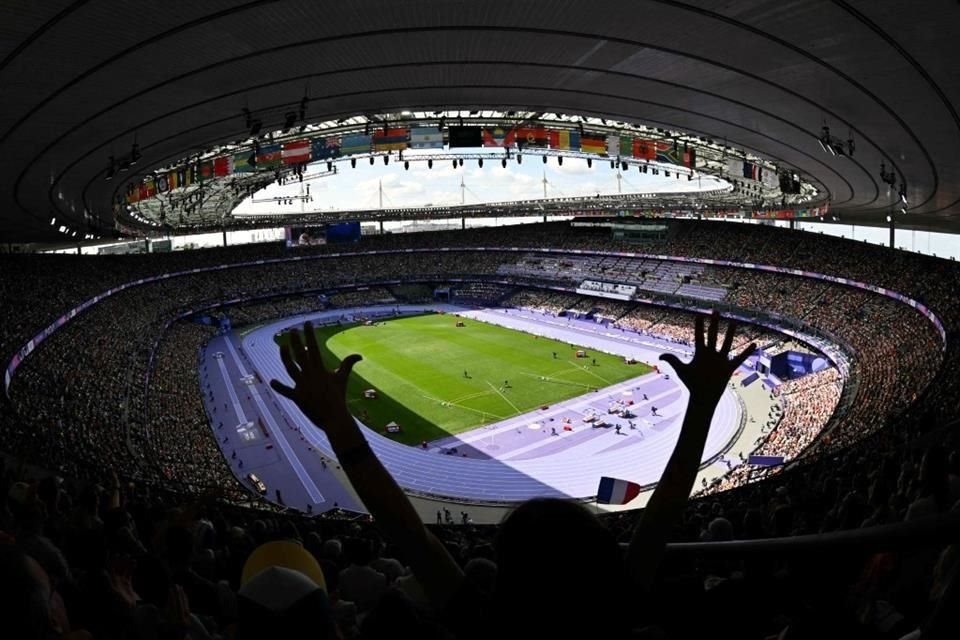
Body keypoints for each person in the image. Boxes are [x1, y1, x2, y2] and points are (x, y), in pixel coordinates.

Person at [269, 312, 754, 639]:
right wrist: (703, 408)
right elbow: (664, 516)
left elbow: (408, 534)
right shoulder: (618, 609)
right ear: (603, 563)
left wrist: (340, 428)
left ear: (505, 571)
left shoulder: (482, 623)